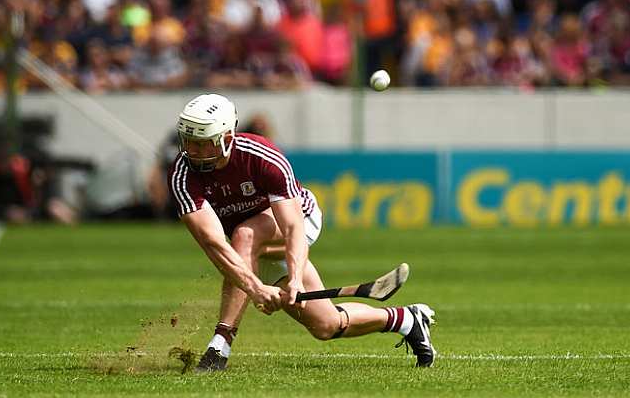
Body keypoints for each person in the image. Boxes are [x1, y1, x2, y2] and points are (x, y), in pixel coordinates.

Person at [167, 94, 436, 372]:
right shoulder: (182, 175)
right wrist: (256, 288)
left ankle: (219, 347)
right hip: (251, 248)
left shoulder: (261, 157)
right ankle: (406, 319)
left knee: (246, 234)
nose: (195, 151)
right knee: (327, 325)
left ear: (226, 137)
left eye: (203, 143)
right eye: (189, 142)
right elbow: (213, 243)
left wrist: (294, 280)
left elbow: (292, 226)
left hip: (298, 224)